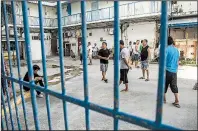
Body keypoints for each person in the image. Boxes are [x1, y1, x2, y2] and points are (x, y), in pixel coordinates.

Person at [164, 36, 180, 108]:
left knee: (164, 85)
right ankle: (177, 101)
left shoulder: (166, 49)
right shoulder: (176, 50)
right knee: (174, 86)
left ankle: (164, 100)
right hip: (174, 71)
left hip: (167, 70)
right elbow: (177, 61)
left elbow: (163, 60)